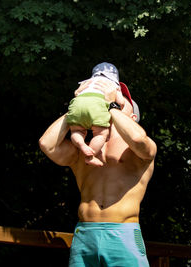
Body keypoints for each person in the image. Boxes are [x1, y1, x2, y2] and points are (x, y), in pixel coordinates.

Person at [39, 74, 157, 267]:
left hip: (123, 235)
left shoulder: (141, 151)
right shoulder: (83, 149)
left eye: (121, 102)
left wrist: (111, 106)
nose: (106, 99)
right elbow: (47, 144)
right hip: (85, 236)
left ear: (133, 116)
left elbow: (136, 139)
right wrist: (78, 106)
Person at [66, 62, 126, 167]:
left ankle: (81, 144)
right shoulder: (113, 84)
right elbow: (121, 103)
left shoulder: (86, 82)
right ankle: (90, 156)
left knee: (76, 130)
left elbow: (77, 93)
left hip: (77, 104)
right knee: (101, 134)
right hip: (97, 105)